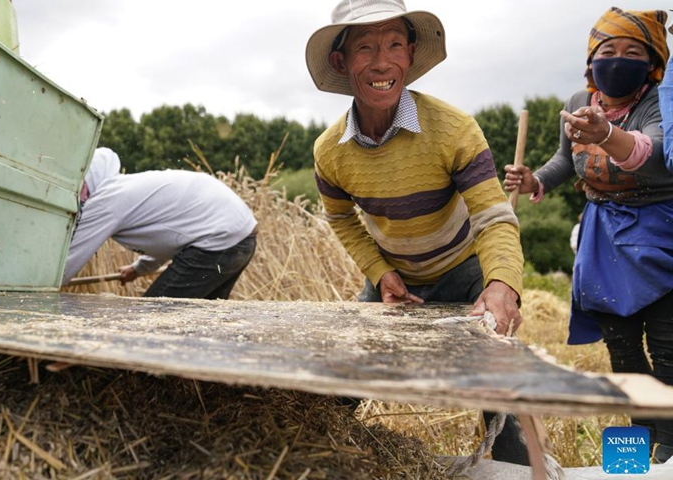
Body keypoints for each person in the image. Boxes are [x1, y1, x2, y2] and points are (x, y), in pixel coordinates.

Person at [306, 0, 527, 465]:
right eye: (364, 47)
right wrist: (380, 272)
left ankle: (514, 467)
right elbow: (342, 219)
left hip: (463, 268)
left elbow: (492, 216)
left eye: (393, 45)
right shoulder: (330, 151)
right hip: (394, 277)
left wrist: (502, 285)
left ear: (410, 54)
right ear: (340, 62)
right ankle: (322, 458)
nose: (381, 62)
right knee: (342, 378)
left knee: (500, 380)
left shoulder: (454, 130)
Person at [504, 8, 673, 464]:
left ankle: (670, 451)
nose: (618, 60)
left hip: (659, 234)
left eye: (633, 51)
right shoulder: (582, 98)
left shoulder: (661, 101)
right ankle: (637, 452)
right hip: (604, 241)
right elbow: (566, 161)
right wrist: (533, 181)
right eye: (607, 51)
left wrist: (608, 134)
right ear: (590, 60)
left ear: (654, 61)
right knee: (621, 350)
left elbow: (654, 152)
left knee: (667, 349)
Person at [63, 148, 258, 300]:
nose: (79, 195)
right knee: (202, 322)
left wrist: (37, 288)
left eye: (81, 187)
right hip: (241, 237)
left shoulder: (106, 199)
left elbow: (69, 260)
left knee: (150, 320)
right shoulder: (124, 190)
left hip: (220, 240)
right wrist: (139, 268)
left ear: (92, 180)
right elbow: (171, 234)